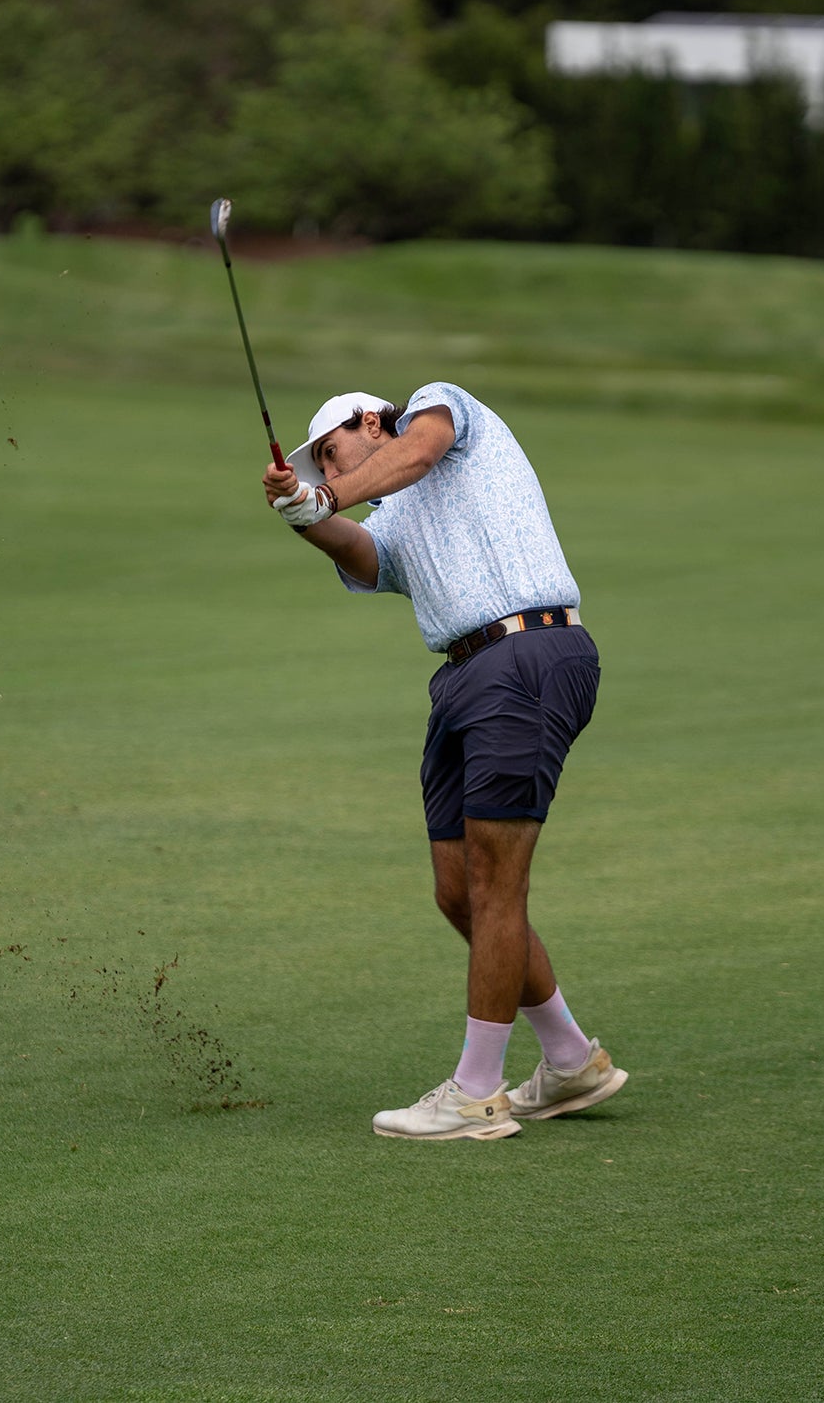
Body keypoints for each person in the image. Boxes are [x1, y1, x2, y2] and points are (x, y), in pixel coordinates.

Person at [263, 381, 628, 1141]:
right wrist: (303, 512)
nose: (332, 470)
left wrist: (324, 495)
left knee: (497, 881)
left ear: (371, 422)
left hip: (527, 651)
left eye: (332, 453)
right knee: (459, 890)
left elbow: (416, 452)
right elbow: (363, 553)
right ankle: (569, 1059)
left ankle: (474, 1095)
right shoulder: (390, 512)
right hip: (465, 675)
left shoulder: (443, 411)